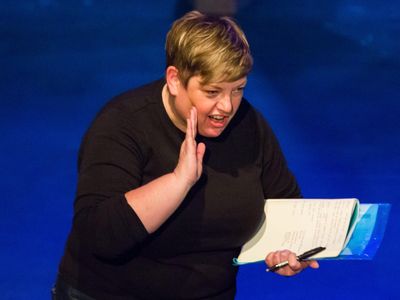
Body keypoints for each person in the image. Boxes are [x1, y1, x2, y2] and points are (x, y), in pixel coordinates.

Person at [53, 10, 319, 300]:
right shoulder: (122, 125)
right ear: (175, 80)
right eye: (212, 91)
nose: (227, 106)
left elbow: (286, 204)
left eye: (238, 89)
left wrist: (287, 248)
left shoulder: (248, 125)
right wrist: (178, 181)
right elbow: (100, 236)